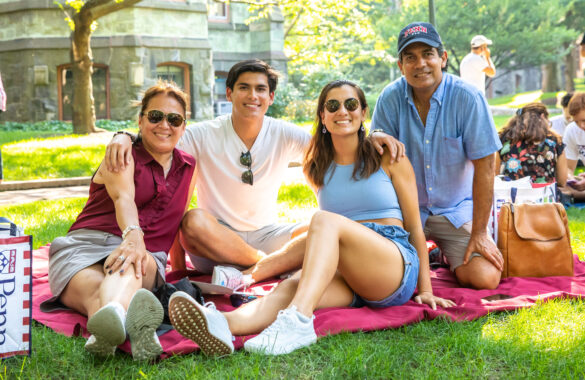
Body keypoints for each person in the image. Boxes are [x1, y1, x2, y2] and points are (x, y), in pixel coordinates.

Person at [167, 80, 455, 357]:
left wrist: (425, 290)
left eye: (351, 104)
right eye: (333, 106)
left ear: (363, 112)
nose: (342, 111)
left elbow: (415, 226)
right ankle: (222, 325)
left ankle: (299, 321)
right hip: (347, 271)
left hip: (393, 267)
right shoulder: (317, 167)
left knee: (324, 220)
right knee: (291, 287)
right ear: (323, 116)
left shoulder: (388, 156)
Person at [105, 60, 395, 289]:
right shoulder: (203, 134)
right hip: (214, 243)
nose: (252, 95)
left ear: (270, 97)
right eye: (244, 87)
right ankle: (269, 266)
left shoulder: (283, 132)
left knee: (321, 227)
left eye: (260, 89)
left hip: (269, 234)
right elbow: (161, 135)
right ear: (229, 93)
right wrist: (124, 135)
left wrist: (376, 134)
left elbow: (334, 142)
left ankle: (261, 267)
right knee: (193, 221)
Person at [42, 82, 196, 360]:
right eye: (155, 116)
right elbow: (122, 197)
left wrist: (179, 270)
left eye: (174, 119)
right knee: (100, 287)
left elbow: (176, 219)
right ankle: (122, 322)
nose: (164, 125)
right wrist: (133, 237)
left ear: (183, 126)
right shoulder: (121, 153)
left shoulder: (188, 166)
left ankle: (112, 316)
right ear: (140, 120)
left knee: (132, 263)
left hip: (144, 258)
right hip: (85, 246)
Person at [370, 22, 503, 290]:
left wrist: (478, 233)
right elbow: (375, 157)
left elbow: (487, 168)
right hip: (406, 211)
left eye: (428, 54)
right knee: (385, 279)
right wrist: (372, 137)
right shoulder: (390, 98)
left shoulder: (469, 97)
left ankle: (440, 253)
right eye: (410, 57)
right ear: (401, 65)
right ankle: (424, 253)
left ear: (442, 58)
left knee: (485, 277)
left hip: (456, 208)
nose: (420, 64)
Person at [495, 103, 567, 186]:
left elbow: (495, 176)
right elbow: (562, 182)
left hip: (511, 196)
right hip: (544, 196)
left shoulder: (504, 139)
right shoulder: (554, 141)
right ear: (543, 117)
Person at [562, 91, 585, 201]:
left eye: (584, 120)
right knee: (560, 186)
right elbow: (568, 167)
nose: (582, 126)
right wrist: (571, 178)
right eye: (577, 122)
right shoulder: (572, 130)